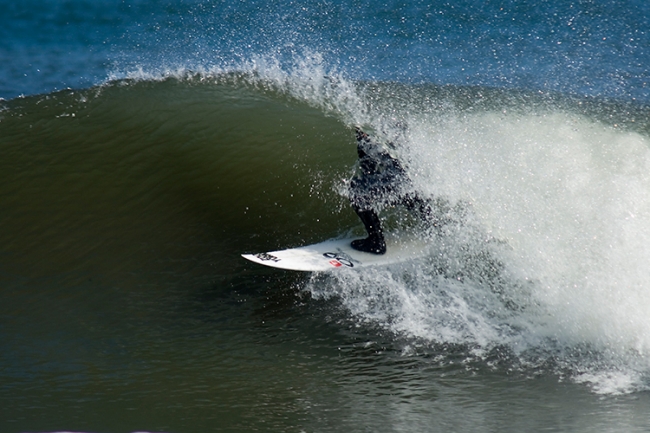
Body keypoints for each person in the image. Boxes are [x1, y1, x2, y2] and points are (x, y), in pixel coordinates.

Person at [348, 127, 433, 254]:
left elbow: (368, 171)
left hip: (401, 182)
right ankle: (433, 224)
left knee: (357, 191)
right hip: (418, 180)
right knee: (406, 186)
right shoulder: (393, 124)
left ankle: (376, 242)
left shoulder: (367, 136)